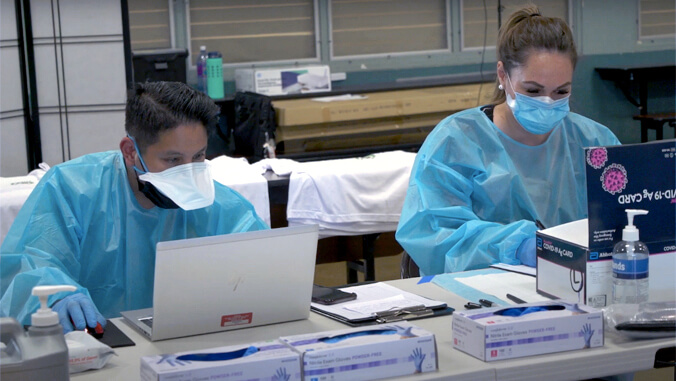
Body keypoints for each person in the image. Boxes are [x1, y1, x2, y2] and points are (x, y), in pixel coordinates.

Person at [0, 81, 268, 333]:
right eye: (173, 159)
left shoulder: (214, 202)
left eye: (198, 156)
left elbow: (264, 258)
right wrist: (57, 296)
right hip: (97, 344)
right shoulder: (71, 189)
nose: (188, 174)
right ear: (130, 151)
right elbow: (31, 262)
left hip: (187, 341)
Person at [395, 5, 621, 275]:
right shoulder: (456, 141)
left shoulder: (594, 141)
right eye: (533, 90)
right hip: (479, 293)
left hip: (579, 285)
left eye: (562, 91)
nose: (548, 102)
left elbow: (628, 216)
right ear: (503, 75)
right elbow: (433, 234)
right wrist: (517, 246)